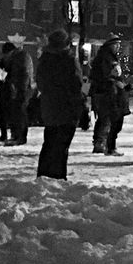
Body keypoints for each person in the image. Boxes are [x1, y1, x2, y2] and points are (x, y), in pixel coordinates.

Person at [35, 29, 85, 179]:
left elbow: (41, 83)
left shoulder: (44, 60)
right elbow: (76, 84)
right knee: (62, 145)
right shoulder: (69, 60)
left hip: (50, 107)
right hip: (67, 108)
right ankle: (58, 175)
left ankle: (44, 174)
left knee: (49, 142)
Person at [89, 37, 126, 155]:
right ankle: (101, 143)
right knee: (107, 118)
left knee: (104, 118)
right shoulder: (106, 58)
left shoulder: (105, 57)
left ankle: (100, 142)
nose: (118, 47)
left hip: (105, 91)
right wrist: (114, 80)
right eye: (116, 45)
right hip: (106, 92)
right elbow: (105, 76)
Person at [1, 44, 34, 146]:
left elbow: (24, 74)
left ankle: (20, 137)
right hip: (18, 88)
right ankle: (16, 135)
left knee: (20, 113)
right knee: (16, 112)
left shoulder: (21, 57)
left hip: (22, 89)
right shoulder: (17, 57)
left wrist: (18, 88)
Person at [0, 42, 15, 143]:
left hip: (8, 90)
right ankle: (3, 134)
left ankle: (12, 134)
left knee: (9, 114)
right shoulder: (3, 62)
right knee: (1, 114)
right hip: (1, 90)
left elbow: (11, 76)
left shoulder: (13, 63)